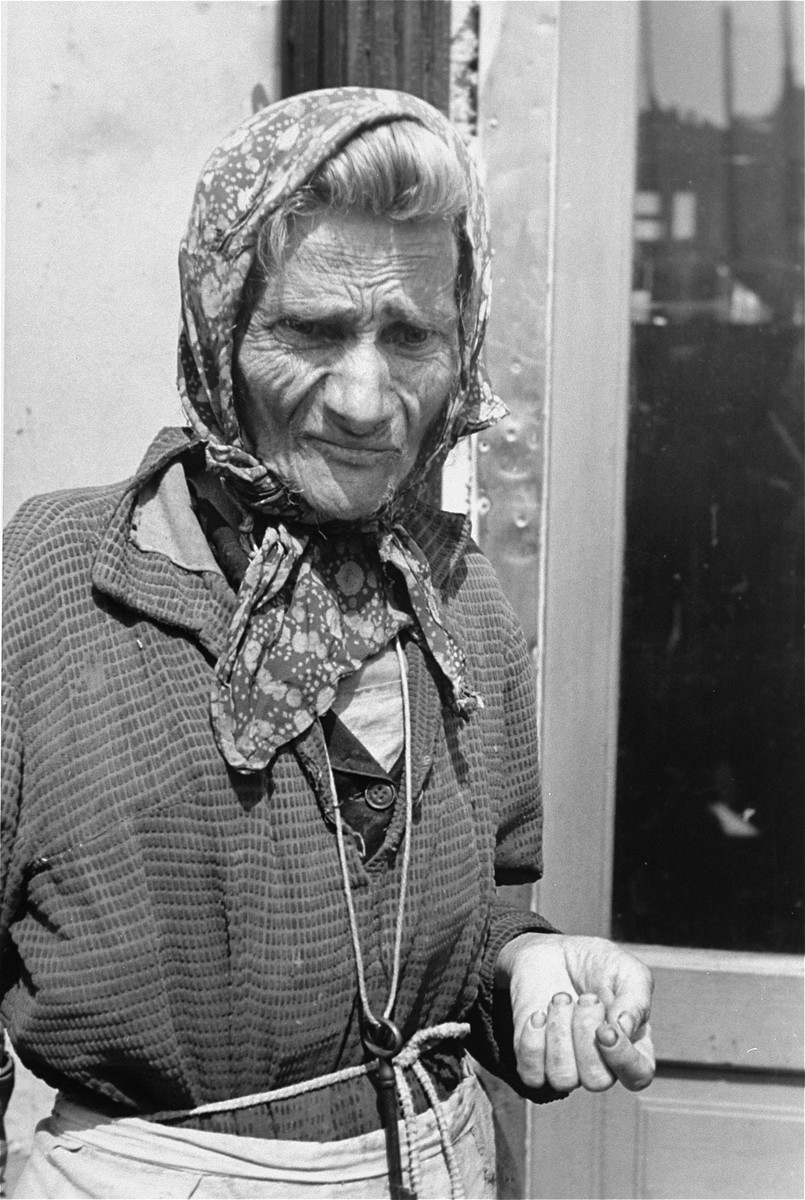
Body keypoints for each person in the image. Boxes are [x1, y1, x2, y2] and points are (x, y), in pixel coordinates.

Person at [1, 87, 654, 1200]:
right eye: (309, 331)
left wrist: (528, 966)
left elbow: (477, 912)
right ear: (217, 328)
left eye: (412, 336)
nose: (365, 397)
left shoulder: (459, 602)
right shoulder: (60, 580)